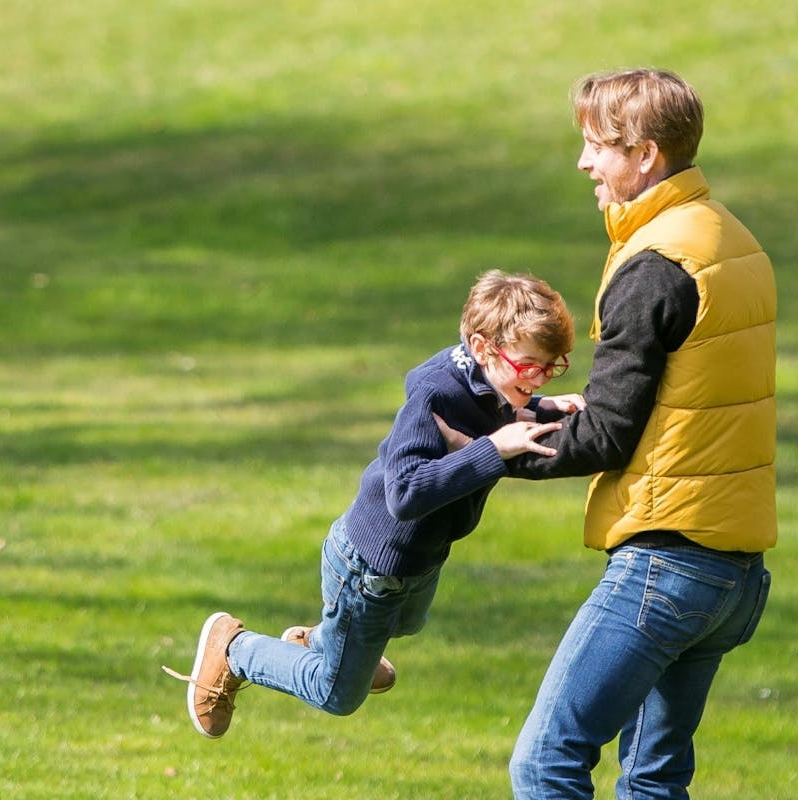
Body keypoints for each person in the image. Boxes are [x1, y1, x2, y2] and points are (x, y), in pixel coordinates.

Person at [503, 68, 778, 798]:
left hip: (666, 567)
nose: (584, 163)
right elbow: (685, 395)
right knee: (653, 783)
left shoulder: (655, 264)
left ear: (646, 154)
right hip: (735, 573)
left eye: (598, 145)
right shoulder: (732, 241)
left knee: (544, 764)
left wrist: (490, 449)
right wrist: (567, 410)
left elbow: (609, 437)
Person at [163, 270, 579, 739]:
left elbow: (488, 410)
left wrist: (539, 406)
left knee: (409, 623)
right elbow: (404, 494)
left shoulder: (487, 379)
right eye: (531, 367)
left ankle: (320, 641)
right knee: (336, 694)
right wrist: (494, 450)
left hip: (417, 560)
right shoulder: (435, 393)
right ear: (483, 348)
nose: (540, 376)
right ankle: (235, 649)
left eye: (552, 366)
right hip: (369, 566)